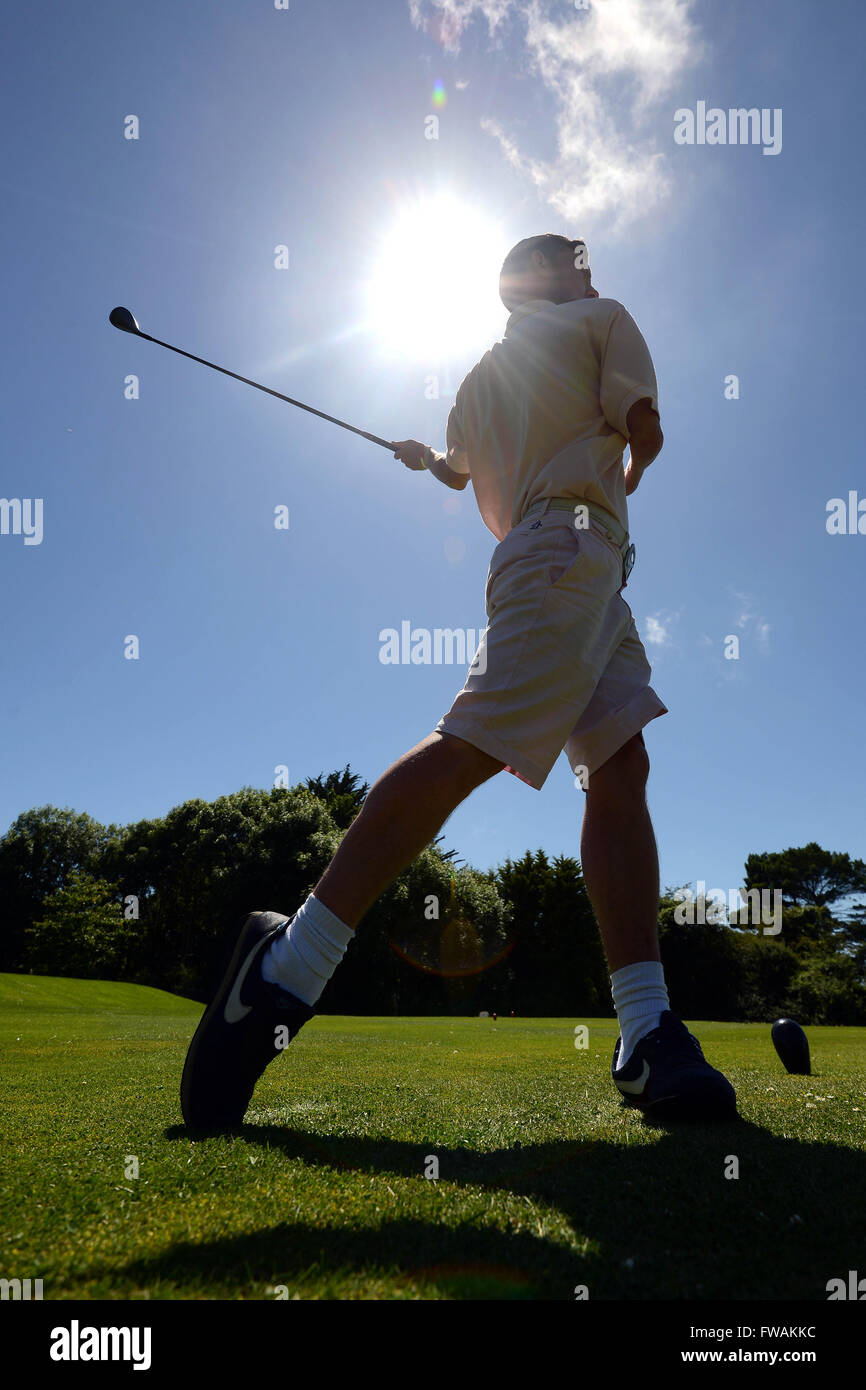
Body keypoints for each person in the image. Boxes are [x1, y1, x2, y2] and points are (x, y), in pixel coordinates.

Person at [181, 233, 737, 1131]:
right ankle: (288, 966)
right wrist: (632, 466)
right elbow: (647, 432)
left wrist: (429, 462)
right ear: (549, 278)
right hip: (572, 554)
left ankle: (645, 1034)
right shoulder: (605, 319)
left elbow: (456, 471)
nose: (591, 272)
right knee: (473, 745)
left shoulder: (479, 380)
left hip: (569, 566)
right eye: (576, 259)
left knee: (622, 768)